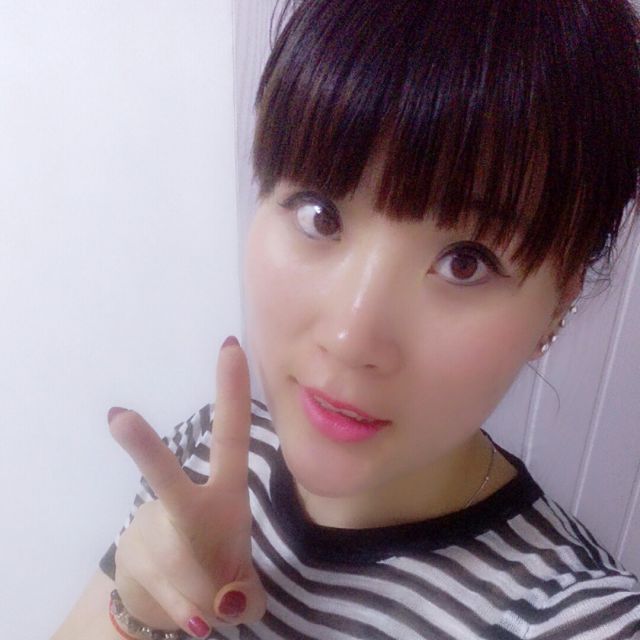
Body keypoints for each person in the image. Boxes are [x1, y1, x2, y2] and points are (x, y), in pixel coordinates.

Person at [55, 0, 640, 638]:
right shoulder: (207, 456)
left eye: (464, 262)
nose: (349, 337)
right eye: (320, 215)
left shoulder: (575, 620)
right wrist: (137, 612)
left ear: (559, 301)